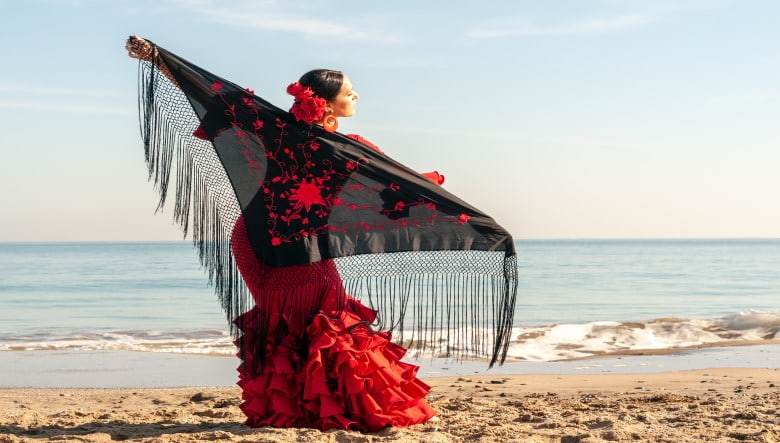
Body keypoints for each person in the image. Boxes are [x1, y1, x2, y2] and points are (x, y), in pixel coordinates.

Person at [126, 35, 441, 431]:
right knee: (319, 321)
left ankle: (300, 409)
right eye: (350, 91)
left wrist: (157, 58)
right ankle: (320, 408)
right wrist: (158, 58)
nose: (357, 95)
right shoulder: (327, 141)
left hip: (267, 238)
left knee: (299, 323)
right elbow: (213, 93)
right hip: (276, 243)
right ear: (326, 101)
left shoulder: (324, 140)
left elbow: (398, 183)